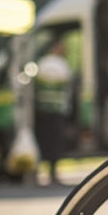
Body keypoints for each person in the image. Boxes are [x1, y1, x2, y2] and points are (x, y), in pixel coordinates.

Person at [33, 37, 74, 186]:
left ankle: (40, 172)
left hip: (42, 110)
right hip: (57, 111)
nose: (65, 51)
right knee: (55, 142)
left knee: (44, 141)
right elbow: (68, 88)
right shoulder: (62, 65)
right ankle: (53, 172)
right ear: (55, 48)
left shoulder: (42, 64)